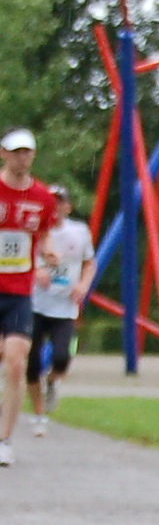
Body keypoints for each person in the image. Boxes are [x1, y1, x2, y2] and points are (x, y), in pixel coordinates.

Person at [0, 129, 57, 466]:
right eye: (16, 152)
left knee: (18, 361)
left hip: (19, 293)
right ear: (3, 153)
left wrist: (47, 254)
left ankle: (4, 439)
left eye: (28, 152)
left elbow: (43, 236)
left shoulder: (43, 197)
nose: (23, 158)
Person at [26, 184, 96, 436]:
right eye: (51, 203)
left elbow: (90, 263)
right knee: (31, 363)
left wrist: (83, 285)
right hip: (34, 304)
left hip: (65, 307)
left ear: (68, 207)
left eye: (60, 203)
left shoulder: (79, 232)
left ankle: (53, 382)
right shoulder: (34, 229)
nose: (55, 208)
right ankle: (38, 415)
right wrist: (36, 270)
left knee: (61, 357)